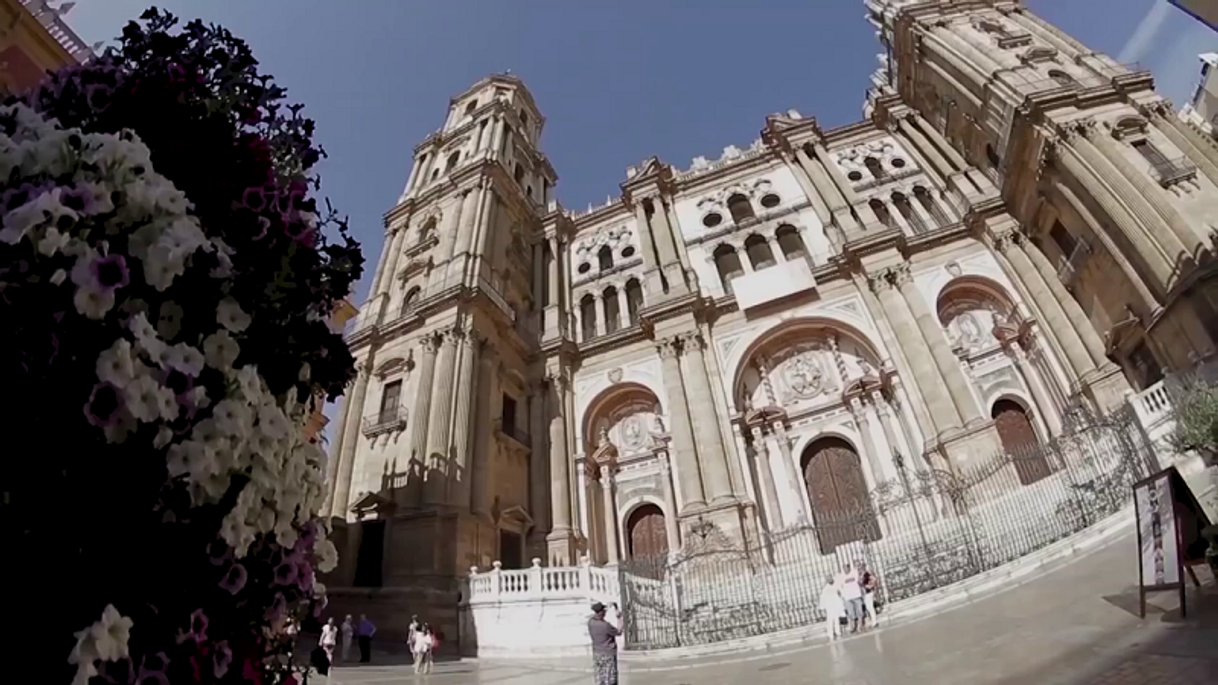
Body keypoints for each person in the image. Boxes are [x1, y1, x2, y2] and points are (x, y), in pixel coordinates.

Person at [588, 602, 621, 685]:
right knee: (610, 678)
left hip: (597, 653)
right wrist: (620, 618)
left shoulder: (591, 622)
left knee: (600, 677)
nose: (605, 612)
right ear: (601, 612)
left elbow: (596, 617)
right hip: (608, 654)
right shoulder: (605, 626)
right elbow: (619, 632)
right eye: (604, 610)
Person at [838, 563, 864, 634]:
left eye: (846, 568)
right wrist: (843, 596)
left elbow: (858, 579)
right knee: (851, 613)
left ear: (849, 568)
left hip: (856, 595)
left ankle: (860, 626)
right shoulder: (841, 576)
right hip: (847, 597)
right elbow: (840, 587)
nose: (845, 570)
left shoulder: (854, 573)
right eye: (844, 568)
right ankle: (853, 626)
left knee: (859, 610)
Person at [818, 576, 844, 640]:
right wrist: (822, 607)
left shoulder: (835, 586)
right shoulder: (825, 588)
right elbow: (822, 597)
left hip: (835, 604)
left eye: (830, 578)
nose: (830, 580)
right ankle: (830, 633)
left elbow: (839, 595)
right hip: (829, 605)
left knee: (836, 619)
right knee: (830, 620)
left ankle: (838, 632)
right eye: (828, 579)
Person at [859, 561, 880, 628]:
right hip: (864, 593)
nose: (860, 568)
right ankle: (872, 621)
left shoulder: (867, 574)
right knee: (868, 608)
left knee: (870, 607)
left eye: (861, 567)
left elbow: (874, 580)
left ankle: (874, 622)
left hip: (868, 592)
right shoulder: (861, 575)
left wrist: (871, 587)